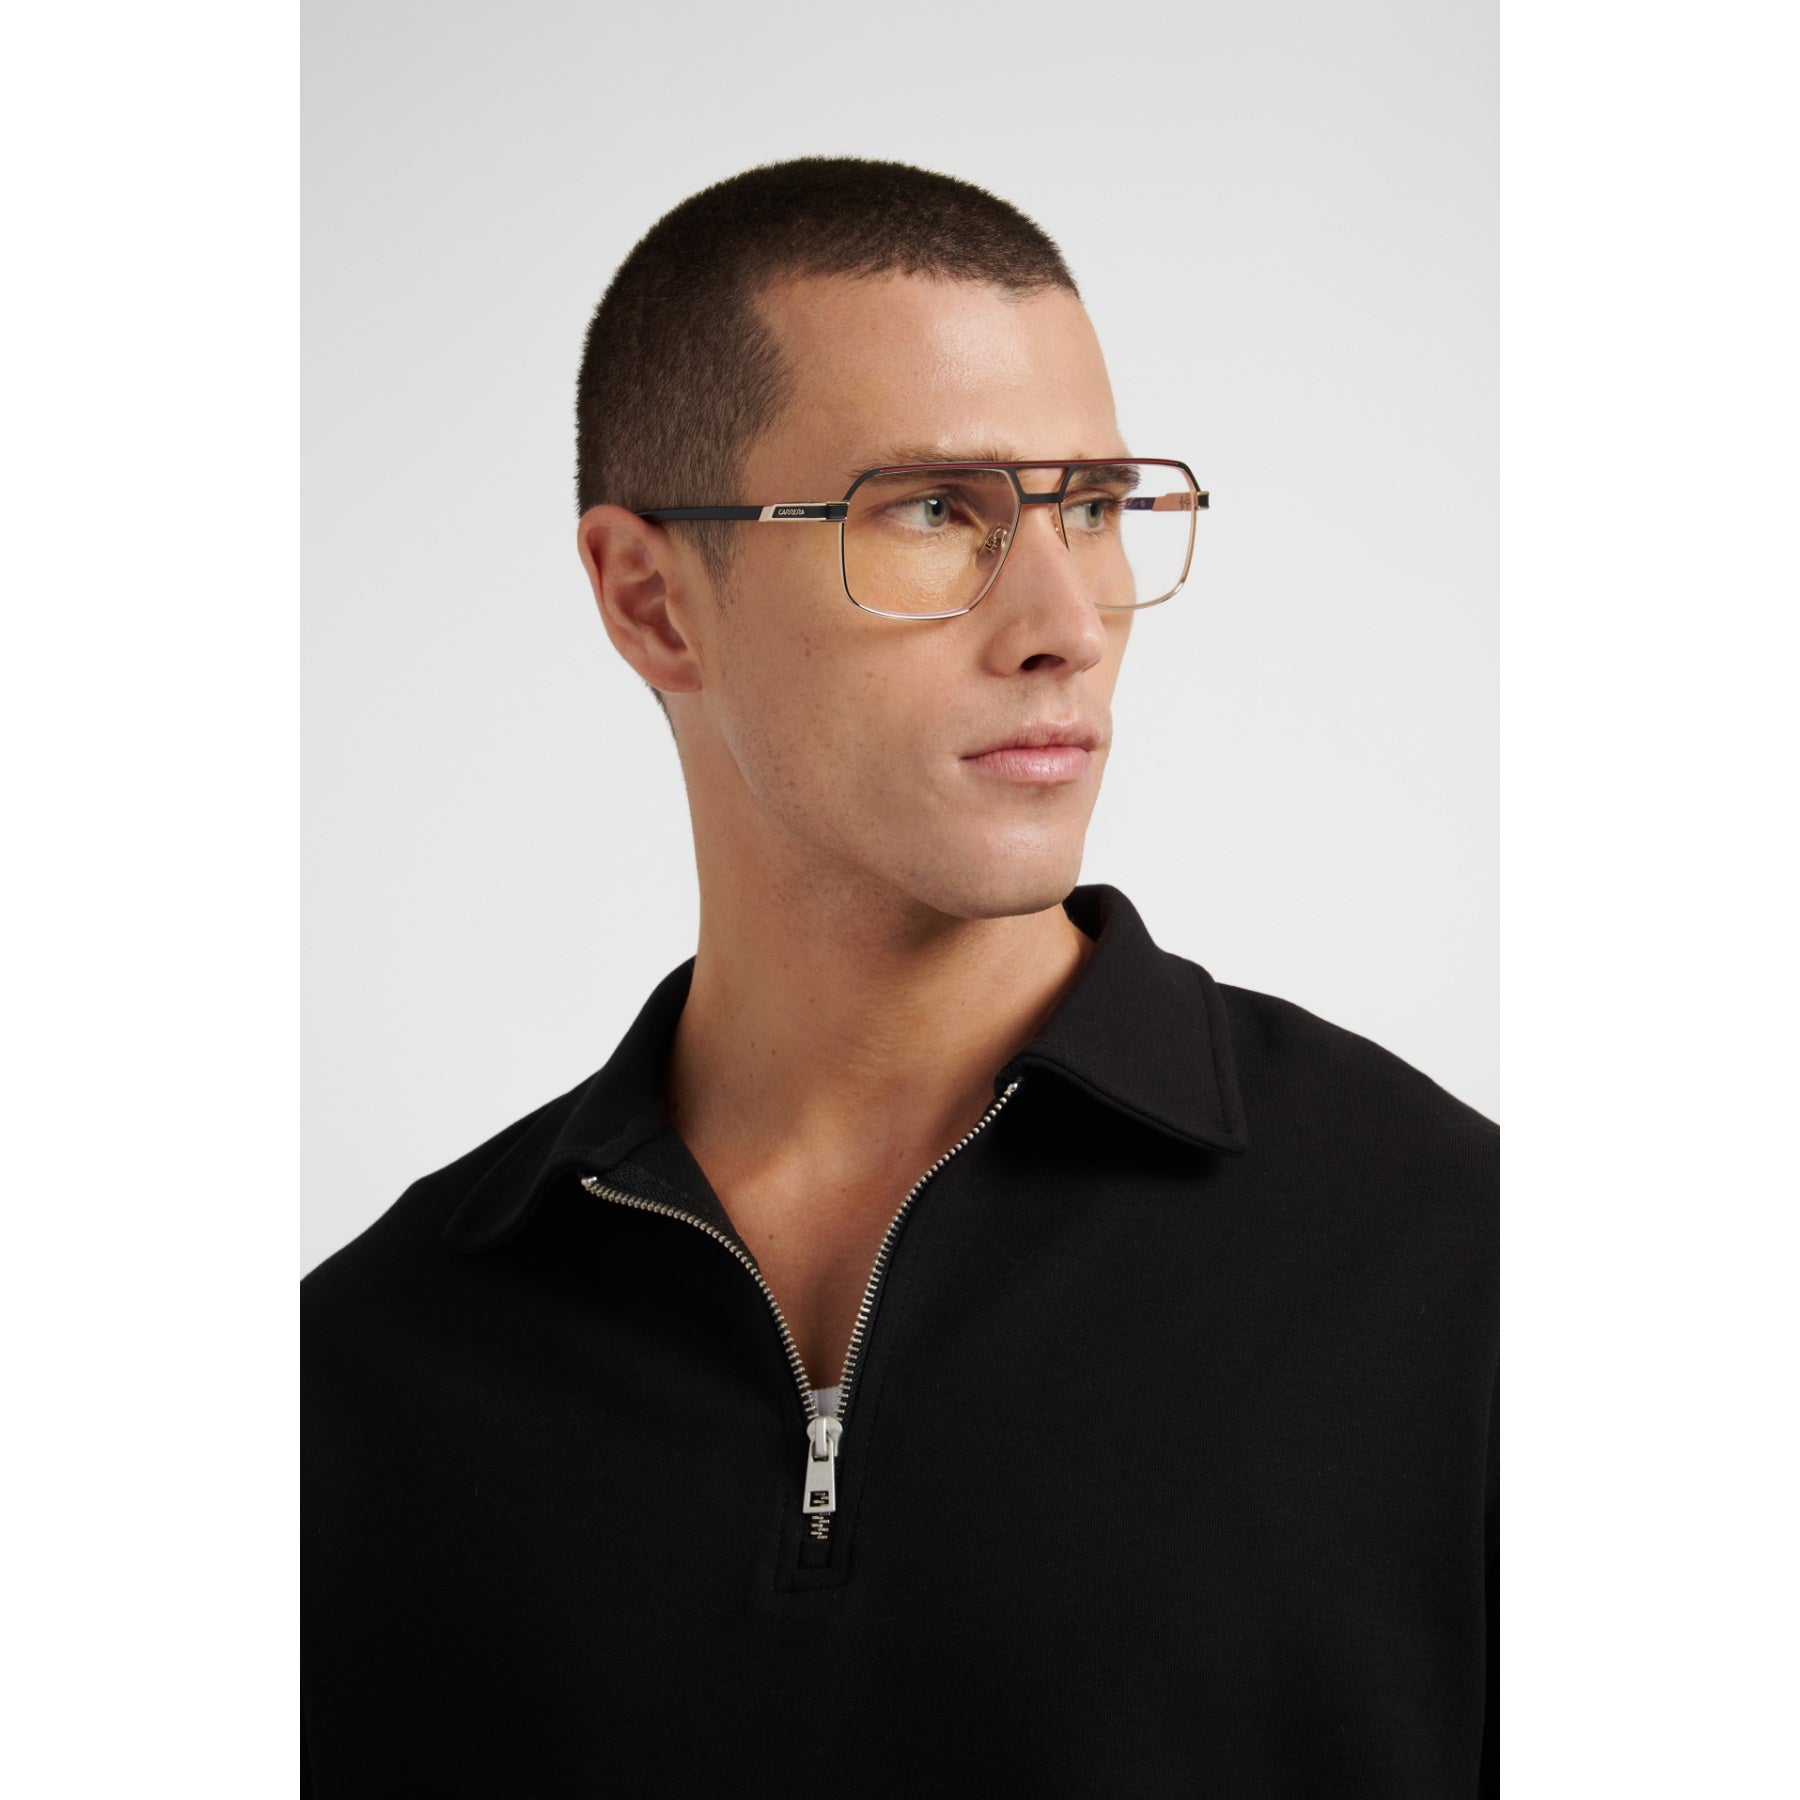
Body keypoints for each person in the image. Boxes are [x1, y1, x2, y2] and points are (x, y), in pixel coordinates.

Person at [302, 156, 1497, 1797]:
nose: (1068, 620)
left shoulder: (1461, 1273)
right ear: (652, 600)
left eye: (1093, 506)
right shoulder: (365, 1377)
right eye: (936, 511)